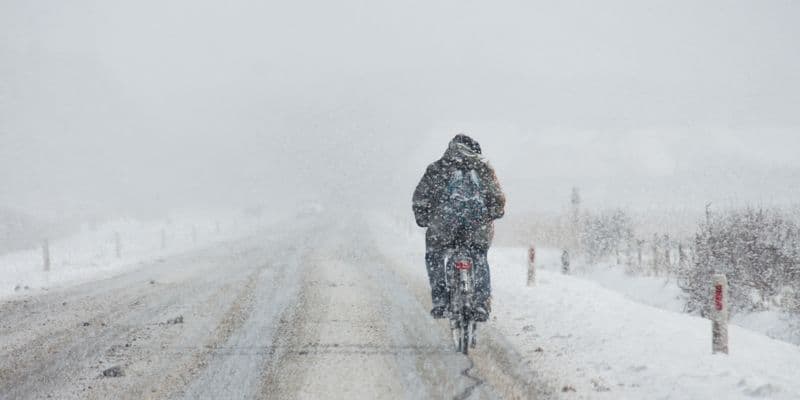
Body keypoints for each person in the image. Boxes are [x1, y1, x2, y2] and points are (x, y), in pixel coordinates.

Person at [412, 134, 505, 321]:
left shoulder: (438, 168)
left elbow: (421, 197)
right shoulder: (483, 168)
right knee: (478, 256)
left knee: (434, 255)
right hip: (477, 228)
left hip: (443, 228)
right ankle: (480, 304)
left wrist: (423, 218)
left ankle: (440, 301)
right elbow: (497, 197)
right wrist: (495, 212)